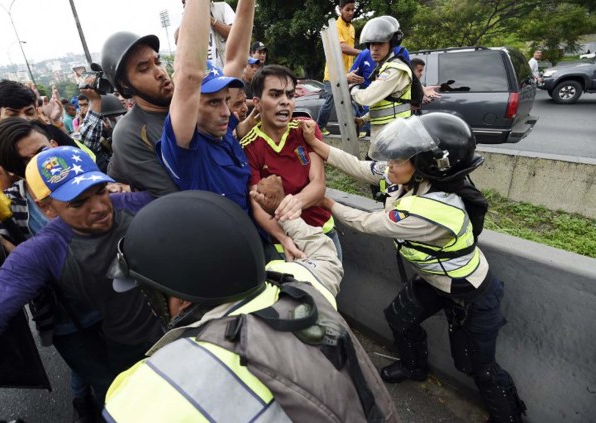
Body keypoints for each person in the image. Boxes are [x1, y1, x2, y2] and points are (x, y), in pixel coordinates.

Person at [103, 186, 400, 422]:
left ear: (179, 299)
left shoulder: (148, 390)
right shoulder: (299, 286)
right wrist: (286, 214)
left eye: (150, 292)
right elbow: (325, 258)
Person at [303, 112, 527, 422]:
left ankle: (509, 417)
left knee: (480, 367)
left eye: (399, 160)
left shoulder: (434, 211)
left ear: (425, 166)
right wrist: (316, 143)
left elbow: (369, 223)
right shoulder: (409, 177)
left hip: (468, 291)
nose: (391, 165)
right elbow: (361, 168)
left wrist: (326, 203)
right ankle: (413, 367)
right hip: (434, 281)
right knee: (399, 317)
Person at [0, 146, 165, 408]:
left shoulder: (134, 204)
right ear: (46, 208)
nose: (100, 207)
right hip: (131, 348)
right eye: (78, 203)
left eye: (100, 190)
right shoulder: (43, 251)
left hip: (186, 328)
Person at [157, 0, 255, 212]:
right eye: (212, 102)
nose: (225, 112)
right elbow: (189, 75)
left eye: (226, 100)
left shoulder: (221, 130)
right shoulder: (185, 148)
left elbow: (237, 58)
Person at [241, 64, 340, 260]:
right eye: (275, 95)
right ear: (257, 103)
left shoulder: (306, 131)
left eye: (290, 95)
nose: (285, 101)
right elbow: (257, 204)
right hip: (284, 243)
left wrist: (292, 203)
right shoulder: (249, 147)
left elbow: (318, 184)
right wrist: (285, 238)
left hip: (323, 232)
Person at [101, 32, 178, 196]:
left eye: (158, 62)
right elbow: (177, 199)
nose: (160, 73)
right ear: (124, 84)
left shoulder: (189, 105)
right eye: (144, 69)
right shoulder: (130, 133)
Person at [351, 15, 412, 142]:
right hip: (386, 134)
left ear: (392, 43)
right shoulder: (383, 68)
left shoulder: (394, 70)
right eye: (371, 44)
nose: (375, 48)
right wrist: (363, 119)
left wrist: (353, 88)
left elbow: (366, 98)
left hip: (395, 136)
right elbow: (385, 105)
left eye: (380, 43)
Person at [317, 0, 362, 136]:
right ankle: (319, 127)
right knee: (330, 99)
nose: (350, 13)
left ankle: (355, 129)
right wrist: (363, 53)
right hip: (333, 73)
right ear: (340, 9)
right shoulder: (335, 26)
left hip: (348, 73)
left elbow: (350, 51)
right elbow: (342, 48)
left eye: (352, 10)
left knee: (352, 101)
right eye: (347, 9)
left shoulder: (352, 28)